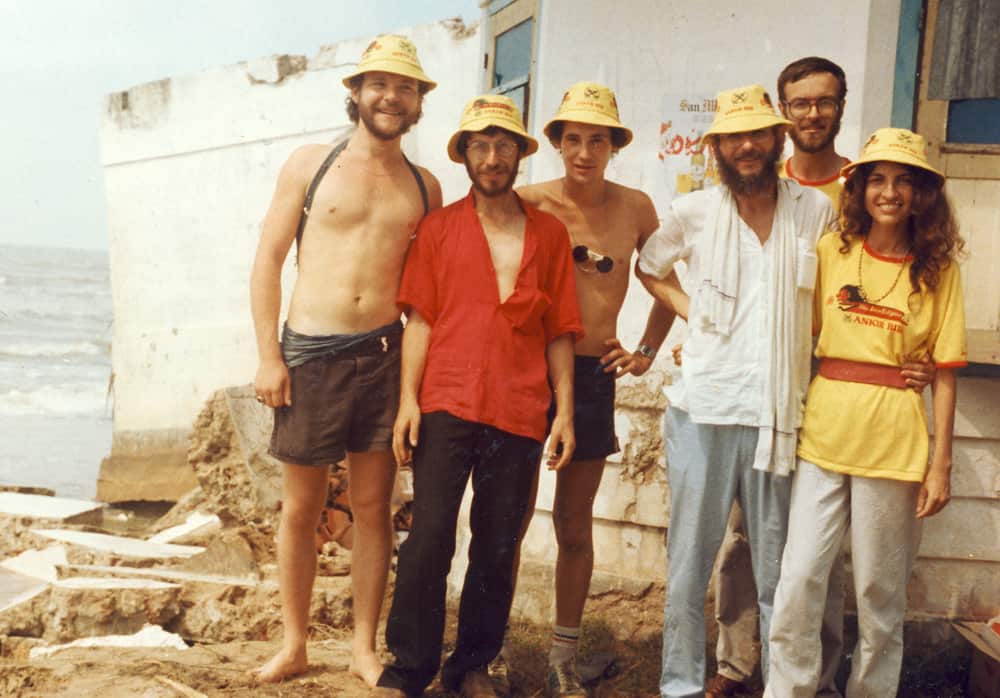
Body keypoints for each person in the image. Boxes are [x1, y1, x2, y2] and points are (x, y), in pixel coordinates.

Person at [372, 95, 583, 698]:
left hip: (520, 409)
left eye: (504, 146)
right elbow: (421, 320)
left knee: (497, 545)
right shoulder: (438, 230)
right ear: (464, 154)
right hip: (446, 400)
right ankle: (409, 668)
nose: (493, 158)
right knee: (430, 535)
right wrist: (408, 401)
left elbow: (560, 330)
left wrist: (564, 411)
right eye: (480, 146)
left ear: (520, 154)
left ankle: (470, 666)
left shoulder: (548, 233)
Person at [249, 35, 442, 686]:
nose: (392, 97)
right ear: (355, 93)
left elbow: (427, 296)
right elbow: (268, 262)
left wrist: (417, 384)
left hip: (383, 355)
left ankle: (363, 646)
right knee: (300, 510)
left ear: (418, 103)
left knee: (373, 507)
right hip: (309, 352)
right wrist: (268, 357)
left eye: (406, 87)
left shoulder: (425, 185)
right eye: (380, 84)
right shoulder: (311, 163)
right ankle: (295, 641)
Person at [636, 84, 836, 698]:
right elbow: (649, 266)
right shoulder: (694, 212)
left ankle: (783, 687)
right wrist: (691, 313)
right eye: (734, 137)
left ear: (778, 140)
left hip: (781, 413)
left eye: (759, 134)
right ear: (717, 145)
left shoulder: (816, 211)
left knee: (781, 569)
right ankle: (679, 685)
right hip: (704, 409)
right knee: (688, 564)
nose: (748, 146)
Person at [766, 128, 966, 697]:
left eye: (904, 181)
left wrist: (942, 464)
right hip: (825, 434)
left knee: (880, 591)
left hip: (896, 439)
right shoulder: (834, 249)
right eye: (877, 179)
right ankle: (789, 689)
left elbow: (945, 371)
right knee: (801, 575)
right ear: (858, 189)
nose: (889, 192)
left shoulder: (940, 269)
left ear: (923, 192)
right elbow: (798, 334)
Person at [514, 81, 676, 696]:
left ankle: (563, 657)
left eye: (598, 140)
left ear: (614, 146)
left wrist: (644, 354)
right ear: (556, 143)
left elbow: (662, 281)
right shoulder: (528, 200)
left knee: (575, 526)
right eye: (574, 139)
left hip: (590, 377)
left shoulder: (635, 207)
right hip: (526, 374)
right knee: (512, 515)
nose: (585, 152)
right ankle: (490, 649)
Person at [707, 56, 852, 698]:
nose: (811, 114)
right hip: (755, 389)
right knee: (744, 532)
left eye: (824, 101)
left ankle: (815, 674)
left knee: (817, 540)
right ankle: (738, 663)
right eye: (799, 103)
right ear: (780, 116)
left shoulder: (863, 186)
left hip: (833, 389)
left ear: (841, 105)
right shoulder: (756, 182)